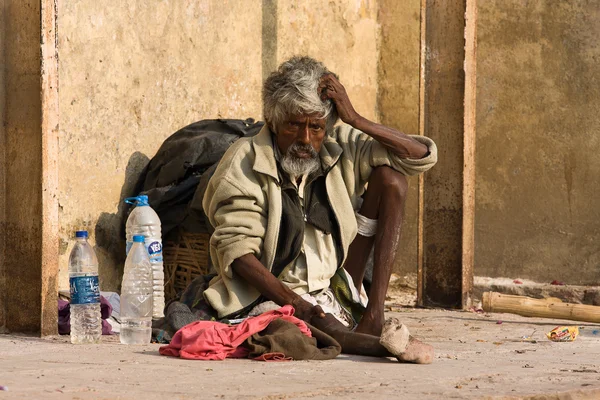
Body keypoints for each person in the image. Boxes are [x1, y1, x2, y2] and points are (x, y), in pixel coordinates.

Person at [201, 56, 438, 363]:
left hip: (331, 283)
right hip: (274, 292)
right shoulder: (245, 160)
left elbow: (419, 156)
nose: (305, 139)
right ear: (272, 122)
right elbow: (237, 252)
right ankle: (379, 346)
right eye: (294, 125)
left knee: (393, 180)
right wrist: (297, 304)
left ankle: (374, 315)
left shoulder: (337, 144)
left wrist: (355, 118)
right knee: (310, 332)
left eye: (316, 127)